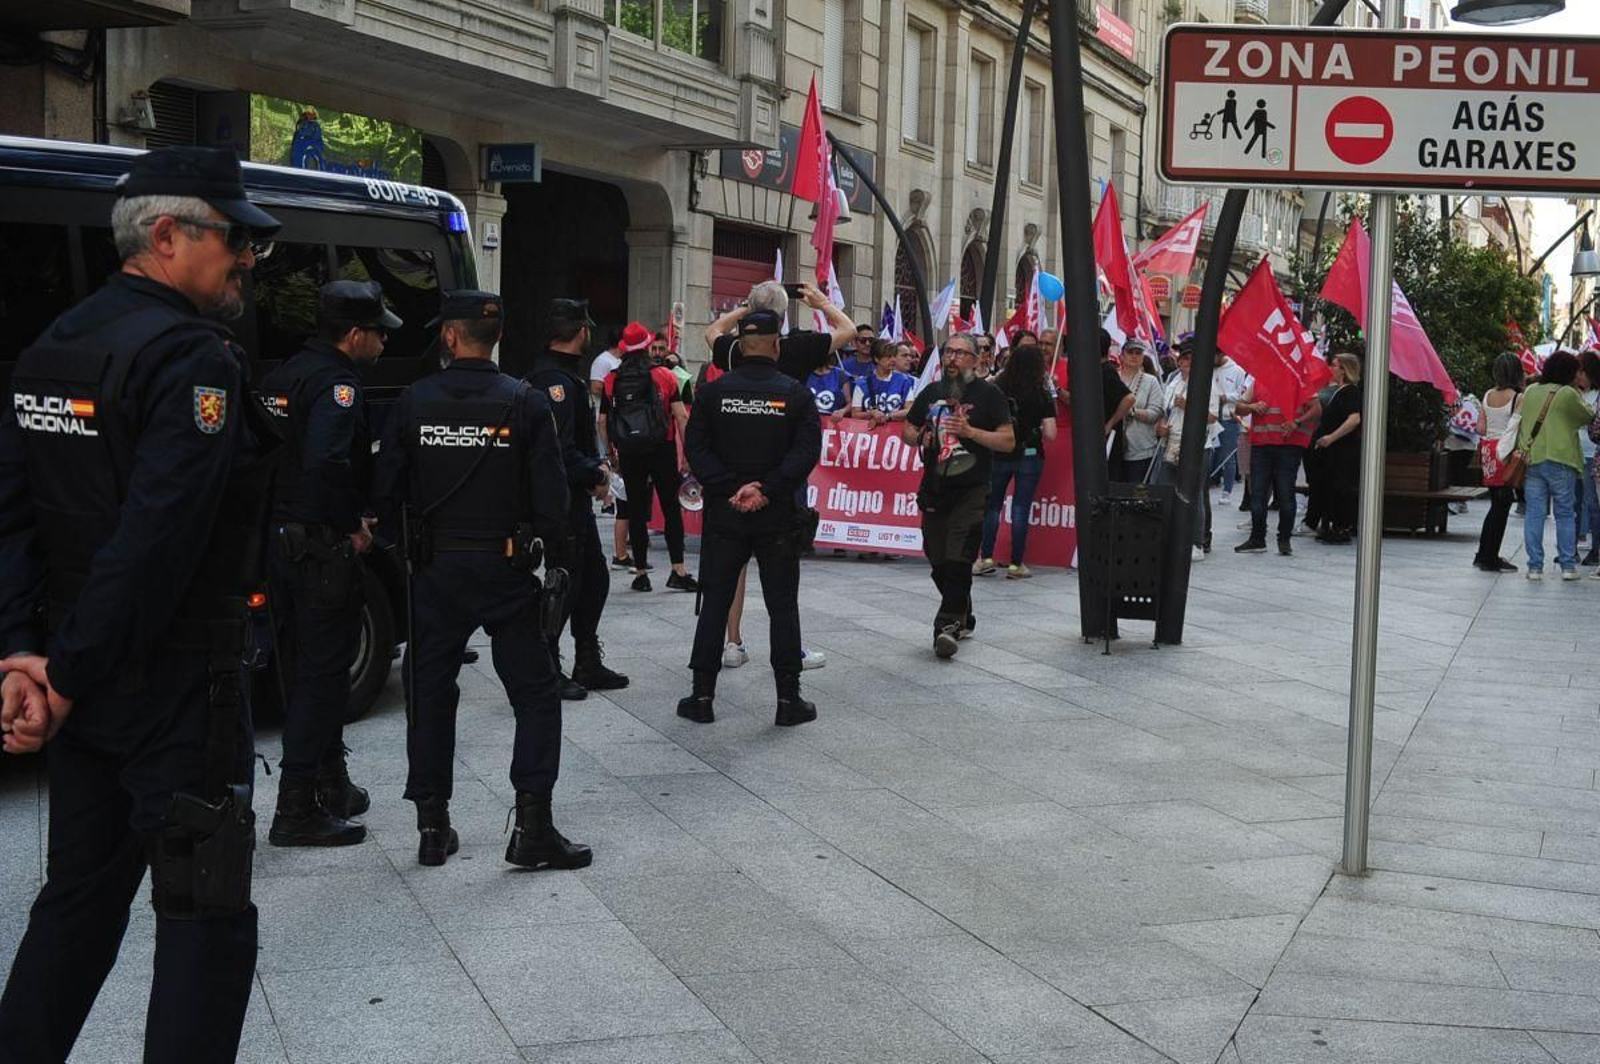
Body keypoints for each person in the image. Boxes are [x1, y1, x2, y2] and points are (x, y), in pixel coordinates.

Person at [0, 145, 280, 1062]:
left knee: (77, 900)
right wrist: (64, 673)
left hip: (76, 669)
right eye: (236, 237)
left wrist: (24, 657)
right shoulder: (193, 358)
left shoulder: (56, 343)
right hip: (173, 685)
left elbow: (14, 518)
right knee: (204, 920)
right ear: (169, 236)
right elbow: (156, 541)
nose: (247, 257)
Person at [374, 290, 591, 869]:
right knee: (536, 695)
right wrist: (558, 561)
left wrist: (406, 552)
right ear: (494, 337)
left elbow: (386, 489)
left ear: (449, 335)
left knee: (429, 694)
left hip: (436, 570)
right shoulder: (523, 402)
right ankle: (534, 827)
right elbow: (552, 498)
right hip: (506, 567)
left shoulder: (414, 400)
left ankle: (431, 826)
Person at [260, 280, 398, 846]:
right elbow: (327, 464)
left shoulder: (284, 374)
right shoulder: (338, 386)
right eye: (380, 334)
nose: (385, 344)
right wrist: (352, 526)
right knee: (323, 673)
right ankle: (295, 807)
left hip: (279, 539)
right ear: (355, 334)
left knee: (302, 664)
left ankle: (331, 781)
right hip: (318, 544)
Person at [678, 310, 822, 726]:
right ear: (777, 345)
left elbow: (697, 448)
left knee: (715, 604)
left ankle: (701, 697)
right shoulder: (794, 393)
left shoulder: (712, 392)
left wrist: (727, 487)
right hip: (776, 515)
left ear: (739, 346)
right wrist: (767, 488)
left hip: (726, 515)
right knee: (782, 606)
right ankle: (787, 700)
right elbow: (806, 452)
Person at [704, 280, 850, 670]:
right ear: (783, 321)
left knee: (732, 563)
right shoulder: (798, 347)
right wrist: (820, 301)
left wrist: (745, 310)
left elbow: (712, 331)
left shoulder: (735, 349)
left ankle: (732, 643)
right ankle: (790, 649)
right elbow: (848, 331)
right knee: (782, 569)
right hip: (782, 471)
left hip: (735, 467)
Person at [525, 299, 629, 700]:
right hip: (559, 501)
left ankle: (586, 659)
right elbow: (558, 450)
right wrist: (596, 473)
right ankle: (546, 664)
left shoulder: (562, 376)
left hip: (573, 498)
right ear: (580, 332)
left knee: (594, 580)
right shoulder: (554, 382)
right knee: (563, 583)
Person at [903, 333, 1015, 658]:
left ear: (976, 360)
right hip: (935, 489)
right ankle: (962, 607)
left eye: (960, 353)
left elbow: (1007, 441)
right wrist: (920, 435)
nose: (952, 358)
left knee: (960, 557)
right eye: (948, 352)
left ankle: (947, 625)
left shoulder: (990, 395)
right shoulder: (932, 392)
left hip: (972, 489)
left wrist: (970, 433)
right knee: (937, 559)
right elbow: (908, 430)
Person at [600, 321, 697, 593]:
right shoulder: (665, 376)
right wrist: (687, 453)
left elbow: (602, 421)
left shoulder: (612, 379)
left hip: (630, 451)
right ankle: (678, 570)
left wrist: (611, 453)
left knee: (636, 511)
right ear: (646, 347)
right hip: (661, 448)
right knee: (670, 509)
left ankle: (640, 573)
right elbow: (681, 416)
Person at [975, 343, 1056, 579]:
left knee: (992, 507)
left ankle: (985, 558)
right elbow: (1051, 433)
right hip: (1029, 454)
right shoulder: (1041, 391)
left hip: (998, 452)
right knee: (1021, 508)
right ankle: (1016, 564)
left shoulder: (997, 387)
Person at [1517, 349, 1595, 580]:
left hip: (1533, 459)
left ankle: (1534, 567)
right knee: (1564, 514)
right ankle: (1568, 566)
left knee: (1534, 513)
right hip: (1561, 460)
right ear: (1568, 373)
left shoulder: (1530, 391)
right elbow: (1587, 416)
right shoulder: (1567, 394)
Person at [1234, 372, 1321, 556]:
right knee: (1259, 493)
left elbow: (1316, 409)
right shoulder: (1259, 381)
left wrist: (1297, 422)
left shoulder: (1300, 381)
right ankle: (1260, 539)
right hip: (1262, 444)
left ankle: (1282, 539)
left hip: (1288, 446)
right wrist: (1252, 406)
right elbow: (1239, 407)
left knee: (1284, 493)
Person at [1155, 344, 1221, 560]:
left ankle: (1196, 542)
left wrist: (1188, 405)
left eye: (1192, 360)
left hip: (1197, 445)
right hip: (1172, 443)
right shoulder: (1173, 382)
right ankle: (1167, 537)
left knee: (1194, 494)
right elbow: (1166, 411)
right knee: (1166, 489)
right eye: (1184, 359)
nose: (1187, 364)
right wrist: (1162, 425)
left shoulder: (1207, 384)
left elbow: (1212, 416)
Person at [1474, 351, 1524, 573]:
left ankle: (1483, 553)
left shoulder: (1487, 395)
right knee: (1501, 507)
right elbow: (1517, 427)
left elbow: (1480, 428)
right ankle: (1490, 557)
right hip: (1505, 452)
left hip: (1488, 453)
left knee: (1495, 503)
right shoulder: (1517, 398)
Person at [587, 329, 631, 569]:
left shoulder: (618, 365)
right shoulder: (603, 361)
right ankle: (607, 500)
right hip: (610, 420)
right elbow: (595, 386)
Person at [1311, 353, 1363, 544]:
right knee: (1330, 485)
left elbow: (1354, 419)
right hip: (1332, 450)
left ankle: (1341, 526)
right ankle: (1330, 524)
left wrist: (1331, 437)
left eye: (1333, 365)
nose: (1330, 369)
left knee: (1341, 487)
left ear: (1343, 370)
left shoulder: (1350, 392)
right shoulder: (1337, 390)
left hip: (1343, 450)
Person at [1112, 338, 1164, 484]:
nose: (1134, 356)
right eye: (1130, 352)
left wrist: (1131, 412)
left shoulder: (1151, 381)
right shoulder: (1113, 376)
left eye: (1138, 353)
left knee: (1138, 491)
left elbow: (1156, 412)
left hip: (1141, 447)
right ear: (1122, 355)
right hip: (1113, 444)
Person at [849, 339, 917, 425]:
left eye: (894, 356)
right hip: (870, 434)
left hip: (895, 435)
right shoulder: (862, 384)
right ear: (877, 359)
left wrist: (887, 416)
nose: (893, 360)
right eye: (888, 357)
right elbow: (855, 414)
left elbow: (910, 410)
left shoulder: (903, 381)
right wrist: (871, 414)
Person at [1214, 349, 1250, 503]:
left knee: (1228, 456)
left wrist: (1226, 397)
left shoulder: (1237, 370)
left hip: (1229, 417)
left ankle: (1227, 490)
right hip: (1211, 417)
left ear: (1221, 354)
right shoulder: (1209, 369)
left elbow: (1243, 394)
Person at [1578, 350, 1600, 565]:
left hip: (1593, 455)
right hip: (1573, 453)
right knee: (1574, 502)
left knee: (1593, 503)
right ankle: (1572, 546)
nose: (1579, 376)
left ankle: (1596, 549)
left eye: (1582, 371)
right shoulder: (1574, 393)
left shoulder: (1597, 395)